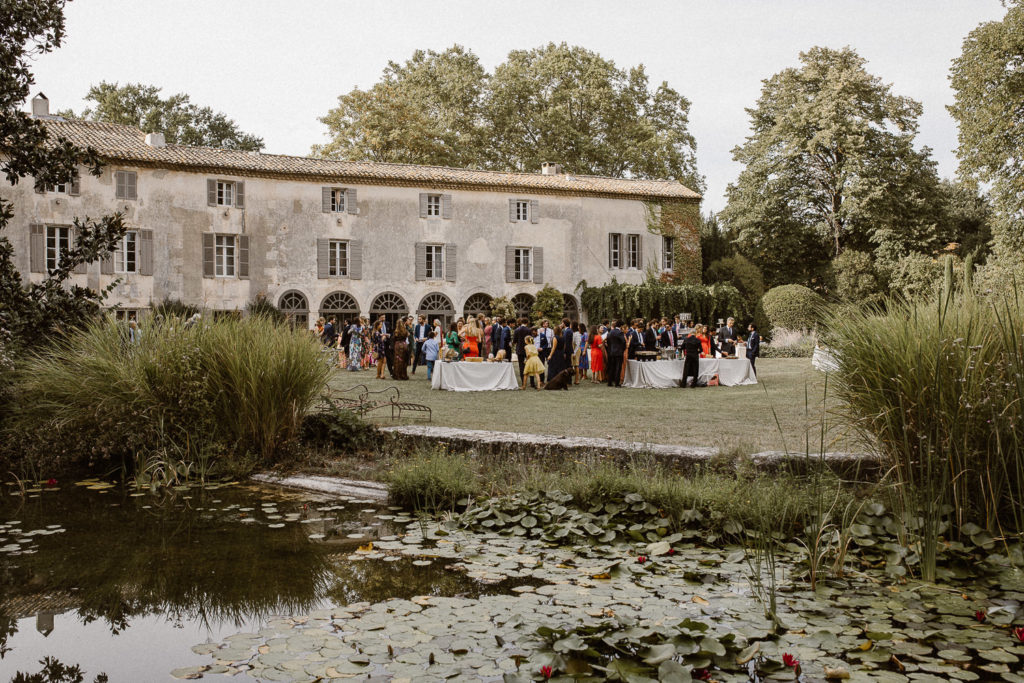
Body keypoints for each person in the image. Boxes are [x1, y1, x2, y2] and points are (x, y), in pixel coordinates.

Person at [604, 320, 627, 387]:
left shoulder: (611, 332)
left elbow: (608, 341)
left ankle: (609, 382)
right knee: (618, 367)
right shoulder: (620, 332)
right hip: (618, 352)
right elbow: (623, 342)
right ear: (621, 326)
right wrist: (623, 349)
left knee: (611, 367)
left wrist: (610, 349)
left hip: (611, 352)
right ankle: (617, 383)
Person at [513, 317, 532, 384]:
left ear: (521, 322)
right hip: (528, 350)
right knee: (529, 365)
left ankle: (523, 381)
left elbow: (514, 341)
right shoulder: (529, 330)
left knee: (521, 366)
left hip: (520, 350)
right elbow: (531, 341)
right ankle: (531, 382)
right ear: (527, 323)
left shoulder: (517, 330)